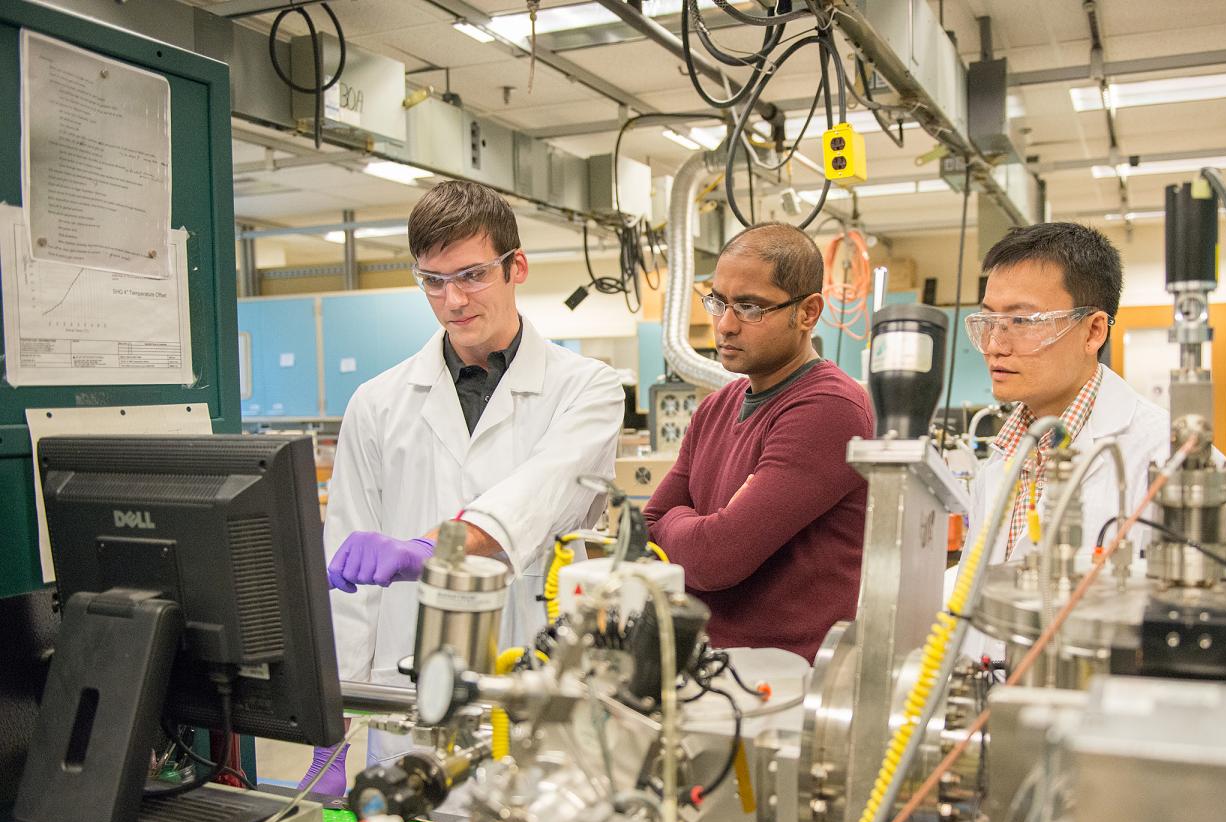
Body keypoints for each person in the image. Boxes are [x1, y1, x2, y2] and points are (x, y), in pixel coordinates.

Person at [312, 181, 624, 788]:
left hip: (537, 694)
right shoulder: (377, 403)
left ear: (517, 268)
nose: (453, 299)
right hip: (407, 701)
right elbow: (347, 586)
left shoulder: (586, 388)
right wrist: (330, 732)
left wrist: (431, 550)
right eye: (433, 280)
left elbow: (542, 491)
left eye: (473, 275)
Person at [643, 223, 874, 664]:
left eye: (750, 307)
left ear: (808, 312)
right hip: (708, 663)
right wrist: (691, 526)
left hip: (787, 676)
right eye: (718, 302)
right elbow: (647, 527)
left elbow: (716, 558)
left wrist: (682, 522)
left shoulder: (830, 408)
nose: (725, 325)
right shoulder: (716, 406)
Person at [964, 222, 1172, 565]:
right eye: (988, 322)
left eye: (1023, 322)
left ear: (1092, 332)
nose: (994, 346)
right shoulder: (1004, 455)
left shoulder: (1164, 458)